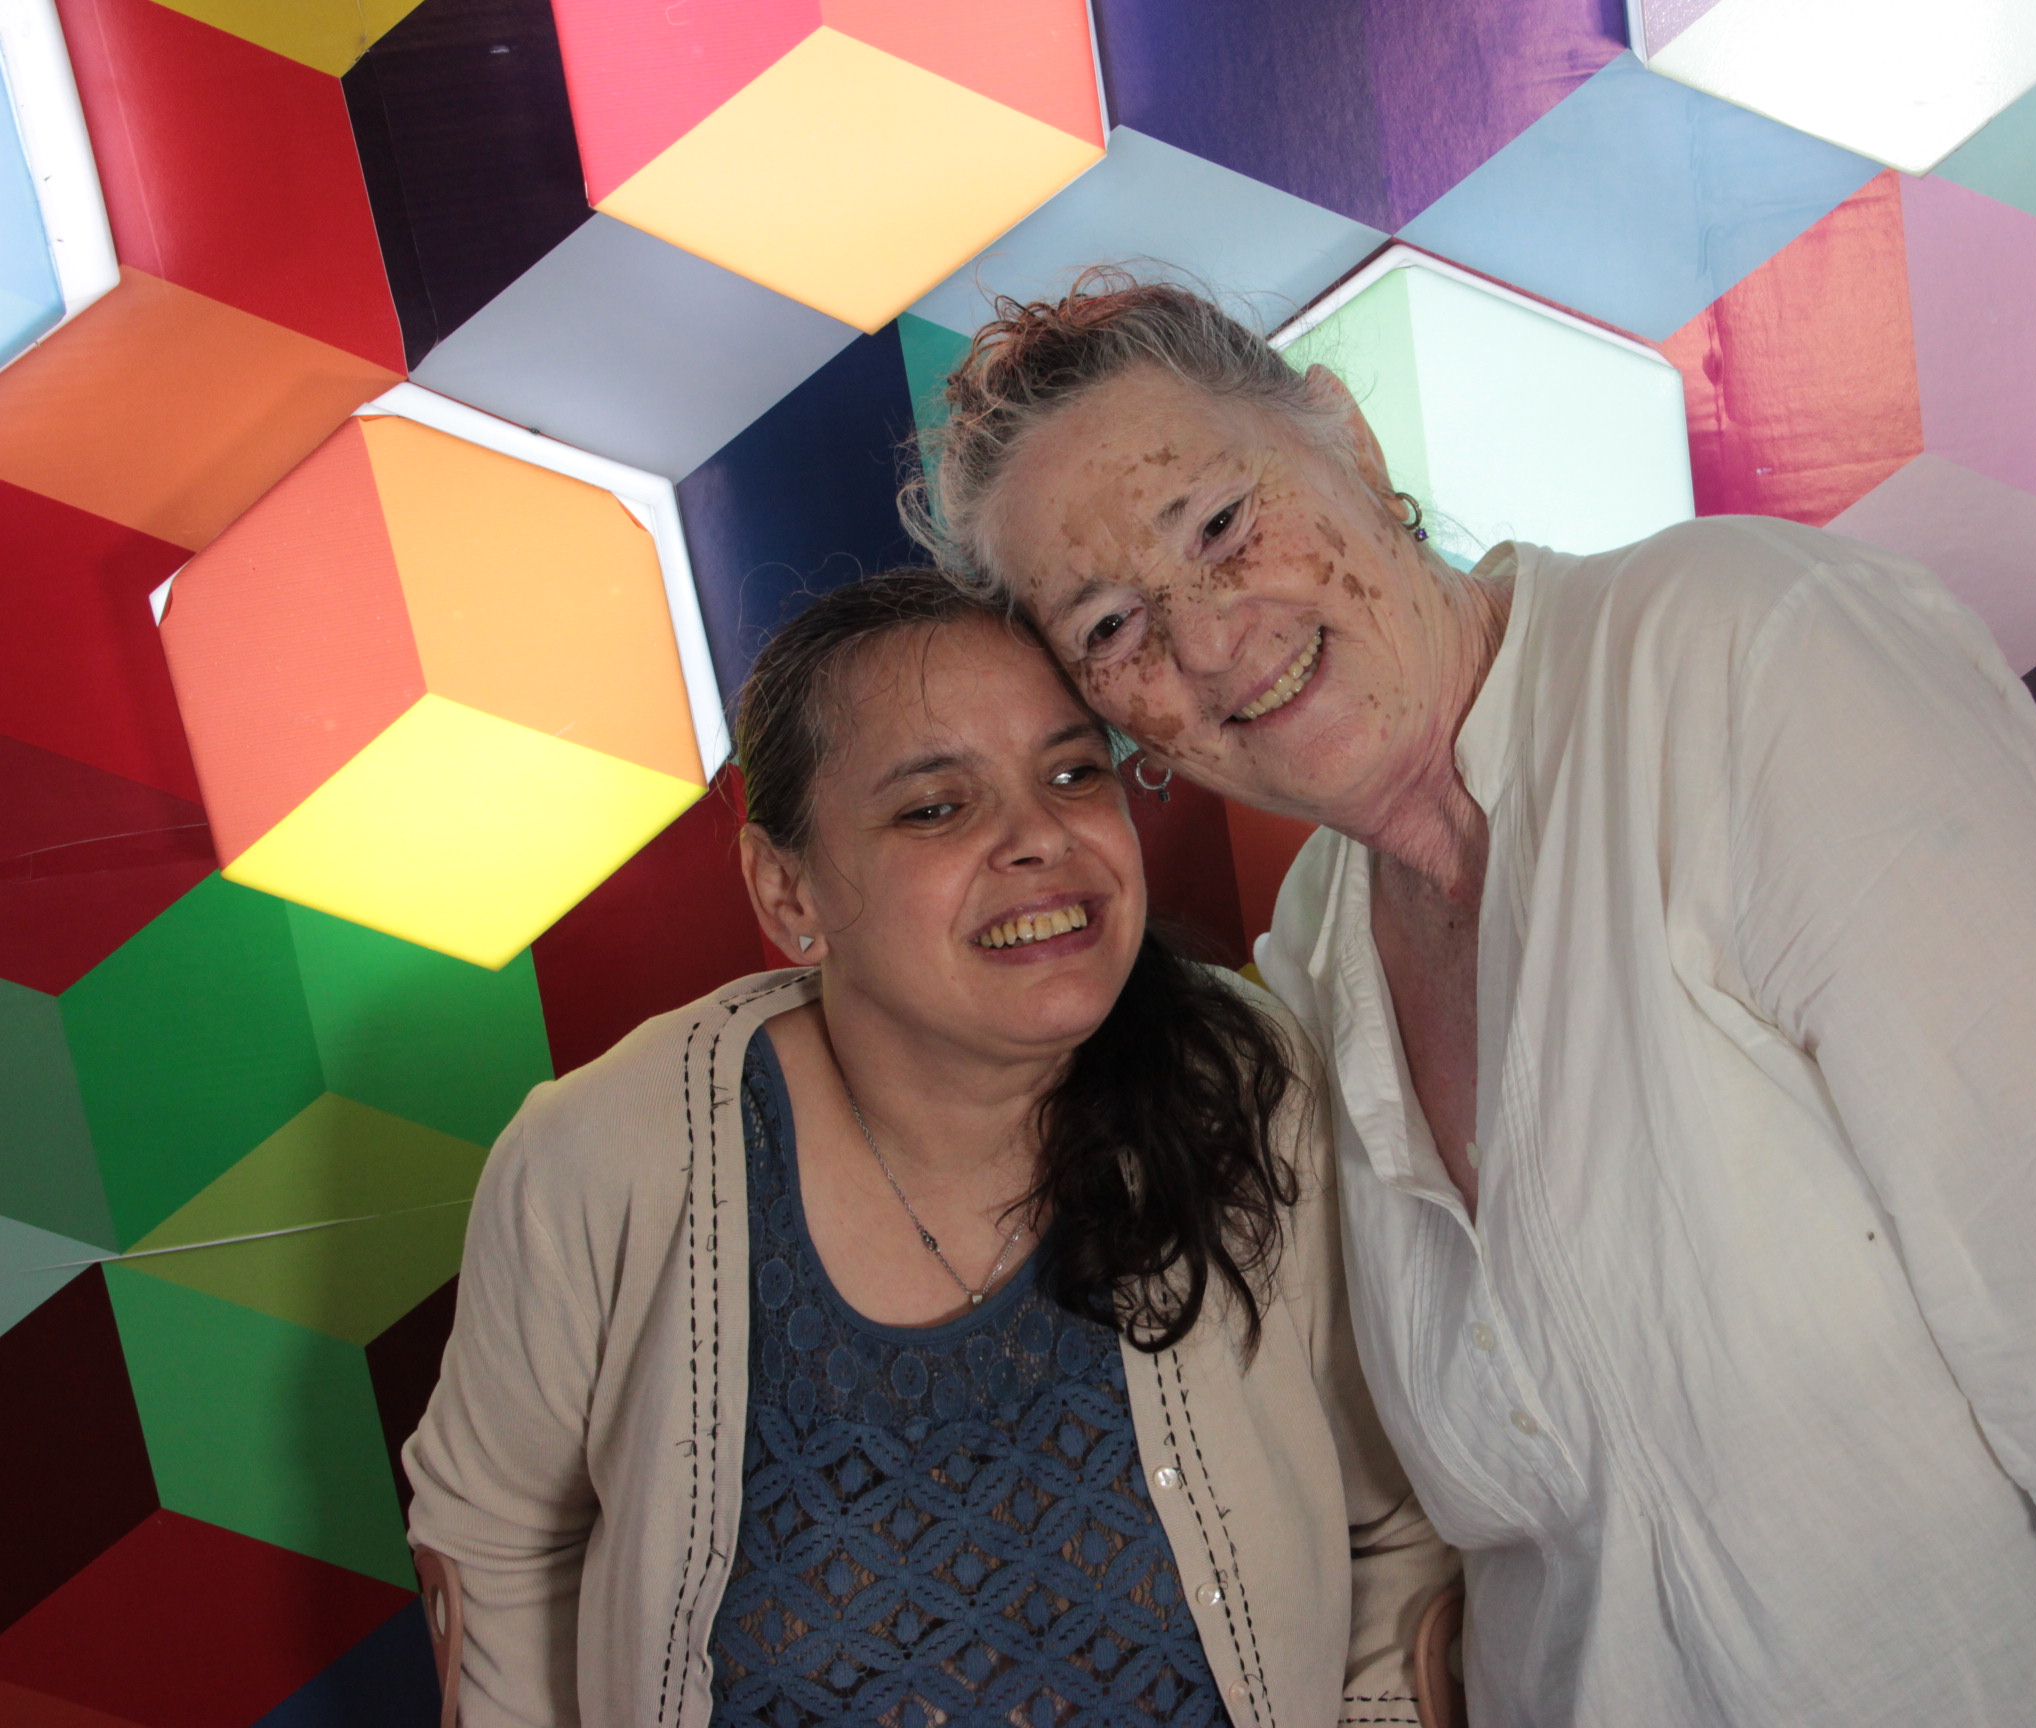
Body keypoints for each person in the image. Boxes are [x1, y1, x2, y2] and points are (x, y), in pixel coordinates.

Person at [903, 276, 2036, 1728]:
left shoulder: (1742, 650)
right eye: (1110, 625)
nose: (1205, 637)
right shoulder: (1316, 953)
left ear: (1341, 432)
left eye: (1214, 521)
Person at [404, 569, 1456, 1726]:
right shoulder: (608, 1156)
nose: (1040, 836)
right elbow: (496, 1547)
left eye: (1074, 774)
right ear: (787, 890)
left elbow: (1398, 1527)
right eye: (936, 808)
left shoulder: (1241, 1086)